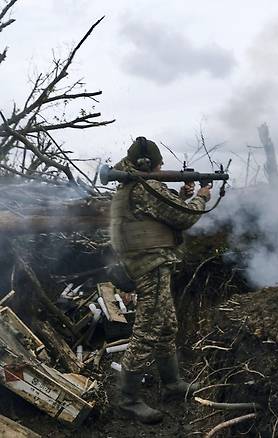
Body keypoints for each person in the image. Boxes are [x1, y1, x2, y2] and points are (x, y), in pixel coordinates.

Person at [109, 136, 211, 424]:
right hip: (150, 265)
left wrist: (181, 193)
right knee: (149, 329)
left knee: (166, 325)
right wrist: (201, 196)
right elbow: (183, 217)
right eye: (159, 164)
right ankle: (128, 399)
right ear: (147, 164)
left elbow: (161, 213)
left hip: (151, 263)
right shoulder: (145, 186)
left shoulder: (134, 186)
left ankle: (172, 384)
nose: (162, 167)